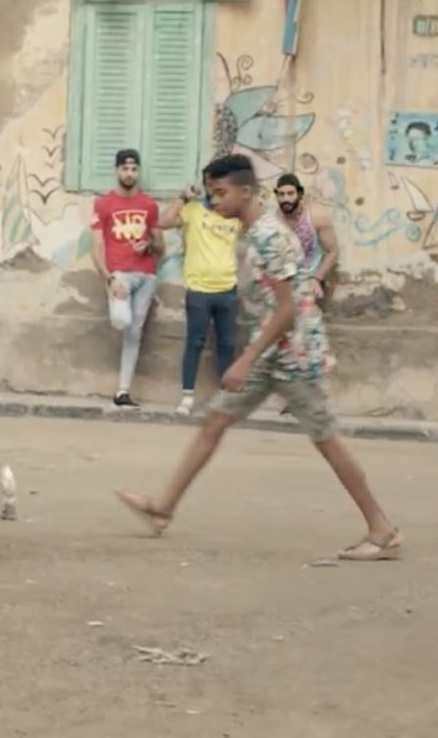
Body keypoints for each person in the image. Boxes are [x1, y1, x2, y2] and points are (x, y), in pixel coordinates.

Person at [116, 154, 403, 561]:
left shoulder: (270, 237)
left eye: (221, 193)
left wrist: (246, 359)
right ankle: (163, 508)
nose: (215, 201)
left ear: (246, 192)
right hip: (268, 349)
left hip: (292, 353)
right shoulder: (250, 233)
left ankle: (382, 531)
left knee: (326, 439)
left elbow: (288, 310)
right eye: (212, 193)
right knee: (215, 420)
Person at [92, 148, 162, 409]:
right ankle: (122, 389)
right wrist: (109, 279)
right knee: (121, 320)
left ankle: (122, 391)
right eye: (125, 168)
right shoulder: (104, 205)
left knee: (134, 333)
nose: (130, 173)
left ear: (138, 171)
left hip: (146, 275)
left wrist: (149, 245)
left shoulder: (149, 205)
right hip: (119, 274)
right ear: (117, 170)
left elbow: (161, 246)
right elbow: (96, 249)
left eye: (134, 169)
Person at [172, 178, 242, 418]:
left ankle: (226, 398)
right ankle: (187, 397)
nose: (216, 195)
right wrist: (183, 197)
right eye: (212, 188)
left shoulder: (234, 215)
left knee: (227, 345)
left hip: (227, 289)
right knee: (195, 343)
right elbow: (164, 221)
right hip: (198, 290)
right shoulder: (193, 210)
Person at [271, 173, 340, 302]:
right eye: (281, 194)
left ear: (300, 194)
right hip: (284, 284)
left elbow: (333, 252)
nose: (286, 198)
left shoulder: (317, 217)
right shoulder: (274, 221)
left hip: (310, 281)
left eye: (290, 193)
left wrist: (317, 278)